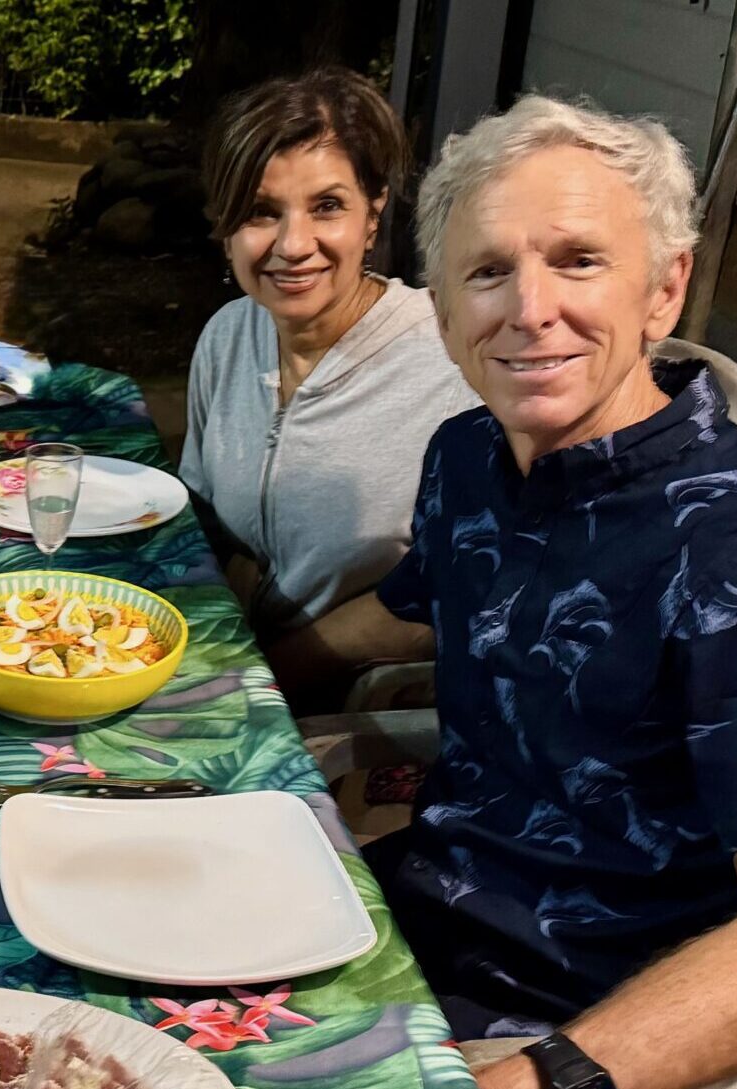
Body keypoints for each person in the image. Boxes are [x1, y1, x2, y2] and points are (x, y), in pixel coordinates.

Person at [340, 95, 737, 1089]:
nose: (530, 310)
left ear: (663, 290)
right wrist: (221, 663)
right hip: (420, 928)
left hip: (593, 1043)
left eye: (579, 262)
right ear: (442, 311)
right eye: (488, 272)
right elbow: (402, 608)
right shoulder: (469, 454)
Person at [179, 66, 474, 701]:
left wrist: (265, 678)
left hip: (362, 718)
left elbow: (453, 593)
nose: (293, 244)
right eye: (261, 212)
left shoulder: (456, 370)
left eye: (327, 207)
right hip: (233, 668)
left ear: (374, 214)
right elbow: (200, 522)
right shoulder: (229, 336)